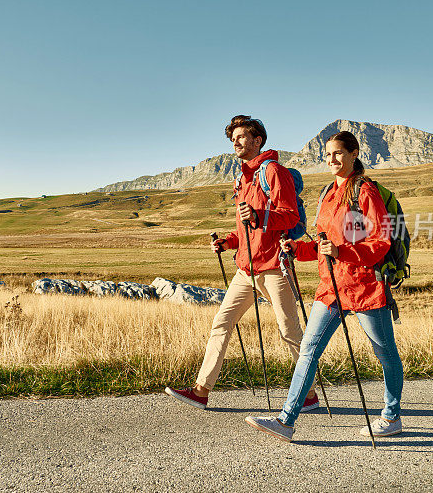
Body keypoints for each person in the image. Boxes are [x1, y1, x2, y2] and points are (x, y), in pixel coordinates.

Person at [245, 130, 404, 442]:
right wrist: (298, 250)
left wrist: (343, 252)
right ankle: (286, 420)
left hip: (365, 289)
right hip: (330, 289)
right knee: (308, 350)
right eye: (327, 154)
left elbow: (381, 242)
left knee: (385, 354)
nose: (331, 159)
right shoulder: (327, 194)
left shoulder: (366, 192)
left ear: (354, 153)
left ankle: (391, 415)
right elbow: (323, 245)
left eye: (337, 153)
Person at [165, 115, 318, 411]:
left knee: (290, 332)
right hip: (245, 270)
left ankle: (309, 394)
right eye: (232, 138)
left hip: (276, 267)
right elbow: (245, 227)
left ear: (257, 140)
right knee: (222, 323)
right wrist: (228, 242)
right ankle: (201, 390)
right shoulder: (242, 178)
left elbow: (291, 217)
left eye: (241, 137)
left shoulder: (273, 172)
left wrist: (261, 217)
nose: (235, 142)